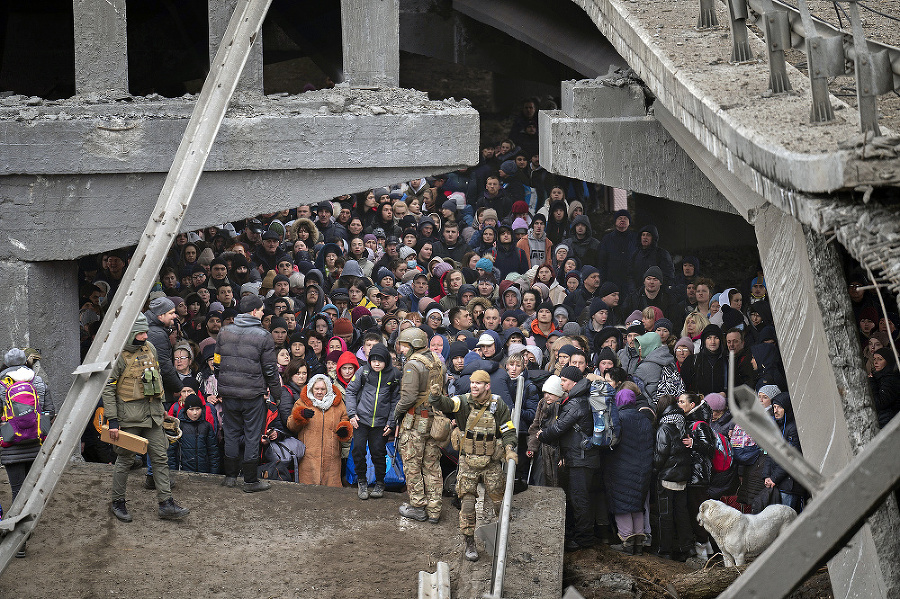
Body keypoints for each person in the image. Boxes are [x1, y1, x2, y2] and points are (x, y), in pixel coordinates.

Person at [104, 314, 189, 523]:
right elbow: (108, 388)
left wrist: (161, 410)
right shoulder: (119, 356)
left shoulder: (150, 348)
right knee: (125, 459)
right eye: (140, 333)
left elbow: (156, 379)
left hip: (153, 415)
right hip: (130, 418)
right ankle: (118, 501)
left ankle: (166, 502)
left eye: (145, 332)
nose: (144, 336)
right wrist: (113, 421)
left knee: (161, 457)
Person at [429, 369, 518, 561]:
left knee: (499, 504)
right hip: (468, 461)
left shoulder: (498, 404)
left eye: (478, 383)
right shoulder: (463, 401)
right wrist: (435, 397)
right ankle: (469, 542)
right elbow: (447, 404)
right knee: (467, 505)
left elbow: (507, 428)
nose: (474, 386)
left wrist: (510, 448)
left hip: (492, 462)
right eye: (472, 383)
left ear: (487, 386)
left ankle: (502, 539)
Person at [214, 294, 285, 492]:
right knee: (253, 436)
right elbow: (270, 370)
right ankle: (250, 481)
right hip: (253, 395)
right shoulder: (263, 335)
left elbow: (217, 363)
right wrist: (277, 394)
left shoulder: (224, 332)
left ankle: (229, 478)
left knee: (230, 433)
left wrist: (224, 382)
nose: (263, 313)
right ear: (254, 311)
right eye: (262, 310)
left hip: (228, 394)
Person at [539, 366, 602, 551]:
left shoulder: (576, 403)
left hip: (582, 458)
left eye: (564, 380)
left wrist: (542, 435)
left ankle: (584, 539)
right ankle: (581, 534)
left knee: (579, 498)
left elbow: (559, 428)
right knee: (579, 497)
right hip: (581, 457)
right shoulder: (578, 399)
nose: (561, 383)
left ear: (574, 382)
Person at [394, 327, 445, 523]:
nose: (401, 350)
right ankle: (434, 509)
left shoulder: (412, 365)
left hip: (415, 422)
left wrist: (396, 413)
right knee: (432, 465)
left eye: (404, 346)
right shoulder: (437, 361)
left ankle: (417, 506)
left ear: (413, 345)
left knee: (412, 465)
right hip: (434, 421)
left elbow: (408, 398)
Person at [344, 343, 400, 499]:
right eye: (373, 359)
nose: (376, 363)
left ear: (386, 361)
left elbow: (396, 400)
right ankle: (362, 481)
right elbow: (351, 392)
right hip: (361, 420)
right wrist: (351, 414)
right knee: (359, 450)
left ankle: (380, 483)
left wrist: (391, 422)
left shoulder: (394, 375)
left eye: (380, 360)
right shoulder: (363, 371)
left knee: (378, 453)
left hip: (381, 424)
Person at [605, 388, 654, 555]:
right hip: (643, 469)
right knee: (637, 504)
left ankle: (627, 541)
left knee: (622, 504)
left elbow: (612, 442)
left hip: (621, 467)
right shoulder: (645, 419)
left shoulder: (618, 418)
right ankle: (639, 543)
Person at [286, 374, 352, 486]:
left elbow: (345, 421)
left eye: (323, 389)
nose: (319, 392)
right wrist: (300, 415)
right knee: (307, 493)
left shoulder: (338, 404)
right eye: (316, 389)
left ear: (328, 389)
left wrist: (344, 430)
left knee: (331, 495)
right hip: (308, 457)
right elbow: (291, 426)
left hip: (332, 458)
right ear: (311, 388)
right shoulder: (302, 402)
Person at [652, 394, 693, 561]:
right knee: (682, 513)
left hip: (667, 477)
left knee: (665, 514)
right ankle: (686, 548)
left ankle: (665, 550)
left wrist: (654, 470)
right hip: (682, 476)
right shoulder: (683, 422)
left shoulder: (664, 427)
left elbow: (660, 455)